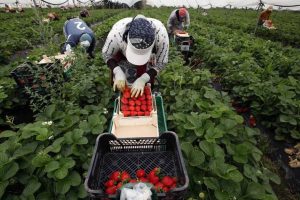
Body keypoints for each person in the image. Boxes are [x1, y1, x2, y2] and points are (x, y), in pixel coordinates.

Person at [102, 15, 169, 97]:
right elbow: (106, 54)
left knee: (145, 86)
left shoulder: (161, 35)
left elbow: (161, 63)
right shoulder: (117, 33)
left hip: (148, 60)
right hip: (122, 58)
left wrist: (143, 79)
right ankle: (119, 96)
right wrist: (118, 71)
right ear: (127, 38)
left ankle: (144, 94)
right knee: (122, 84)